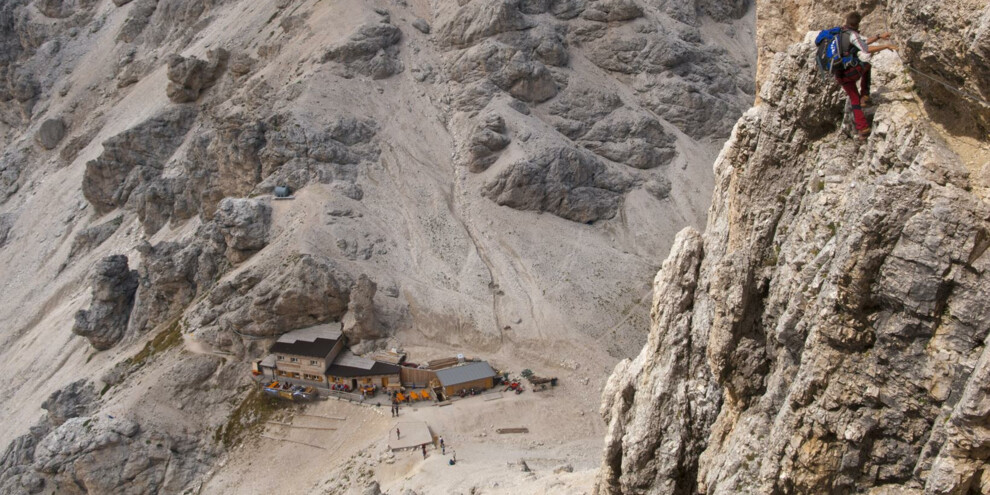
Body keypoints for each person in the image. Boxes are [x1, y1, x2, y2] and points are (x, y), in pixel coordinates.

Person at [833, 11, 897, 138]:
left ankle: (863, 129)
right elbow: (865, 48)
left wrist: (878, 36)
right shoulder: (852, 35)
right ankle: (865, 95)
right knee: (867, 65)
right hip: (850, 72)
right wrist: (886, 46)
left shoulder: (840, 33)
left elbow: (862, 42)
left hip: (839, 74)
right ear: (857, 24)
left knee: (854, 99)